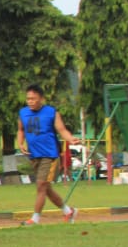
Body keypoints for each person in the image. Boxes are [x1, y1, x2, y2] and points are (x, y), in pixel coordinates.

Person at [15, 84, 80, 224]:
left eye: (33, 98)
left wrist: (70, 139)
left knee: (40, 185)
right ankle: (69, 211)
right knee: (45, 188)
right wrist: (20, 143)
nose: (30, 101)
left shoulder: (52, 113)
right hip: (34, 155)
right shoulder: (23, 113)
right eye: (28, 99)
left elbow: (62, 130)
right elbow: (20, 130)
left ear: (41, 99)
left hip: (49, 155)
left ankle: (35, 219)